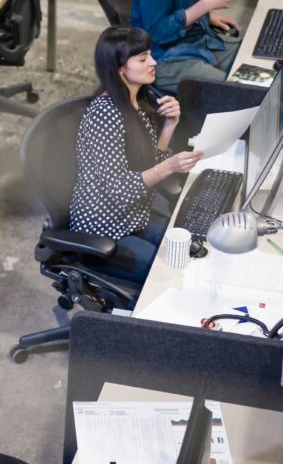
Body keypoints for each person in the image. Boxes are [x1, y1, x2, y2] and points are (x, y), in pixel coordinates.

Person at [70, 26, 203, 280]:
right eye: (142, 59)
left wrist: (170, 124)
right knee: (169, 271)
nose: (153, 62)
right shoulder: (105, 115)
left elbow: (151, 162)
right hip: (103, 230)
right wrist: (169, 167)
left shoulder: (136, 102)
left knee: (190, 247)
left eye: (150, 55)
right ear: (120, 68)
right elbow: (120, 189)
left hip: (134, 215)